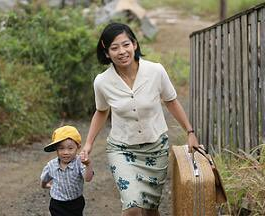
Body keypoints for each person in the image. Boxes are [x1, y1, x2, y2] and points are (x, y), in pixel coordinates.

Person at [81, 22, 199, 216]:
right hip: (122, 149)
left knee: (151, 209)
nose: (122, 51)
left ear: (134, 44)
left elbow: (171, 101)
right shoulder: (102, 82)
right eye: (114, 47)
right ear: (106, 52)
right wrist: (88, 145)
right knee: (133, 208)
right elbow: (101, 111)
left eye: (125, 44)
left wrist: (190, 132)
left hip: (156, 149)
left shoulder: (156, 71)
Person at [40, 125, 94, 216]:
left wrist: (88, 164)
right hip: (57, 203)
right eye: (61, 148)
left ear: (78, 147)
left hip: (76, 202)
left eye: (70, 148)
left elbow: (88, 178)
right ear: (56, 149)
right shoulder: (51, 165)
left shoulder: (79, 163)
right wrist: (44, 185)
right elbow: (44, 179)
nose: (66, 152)